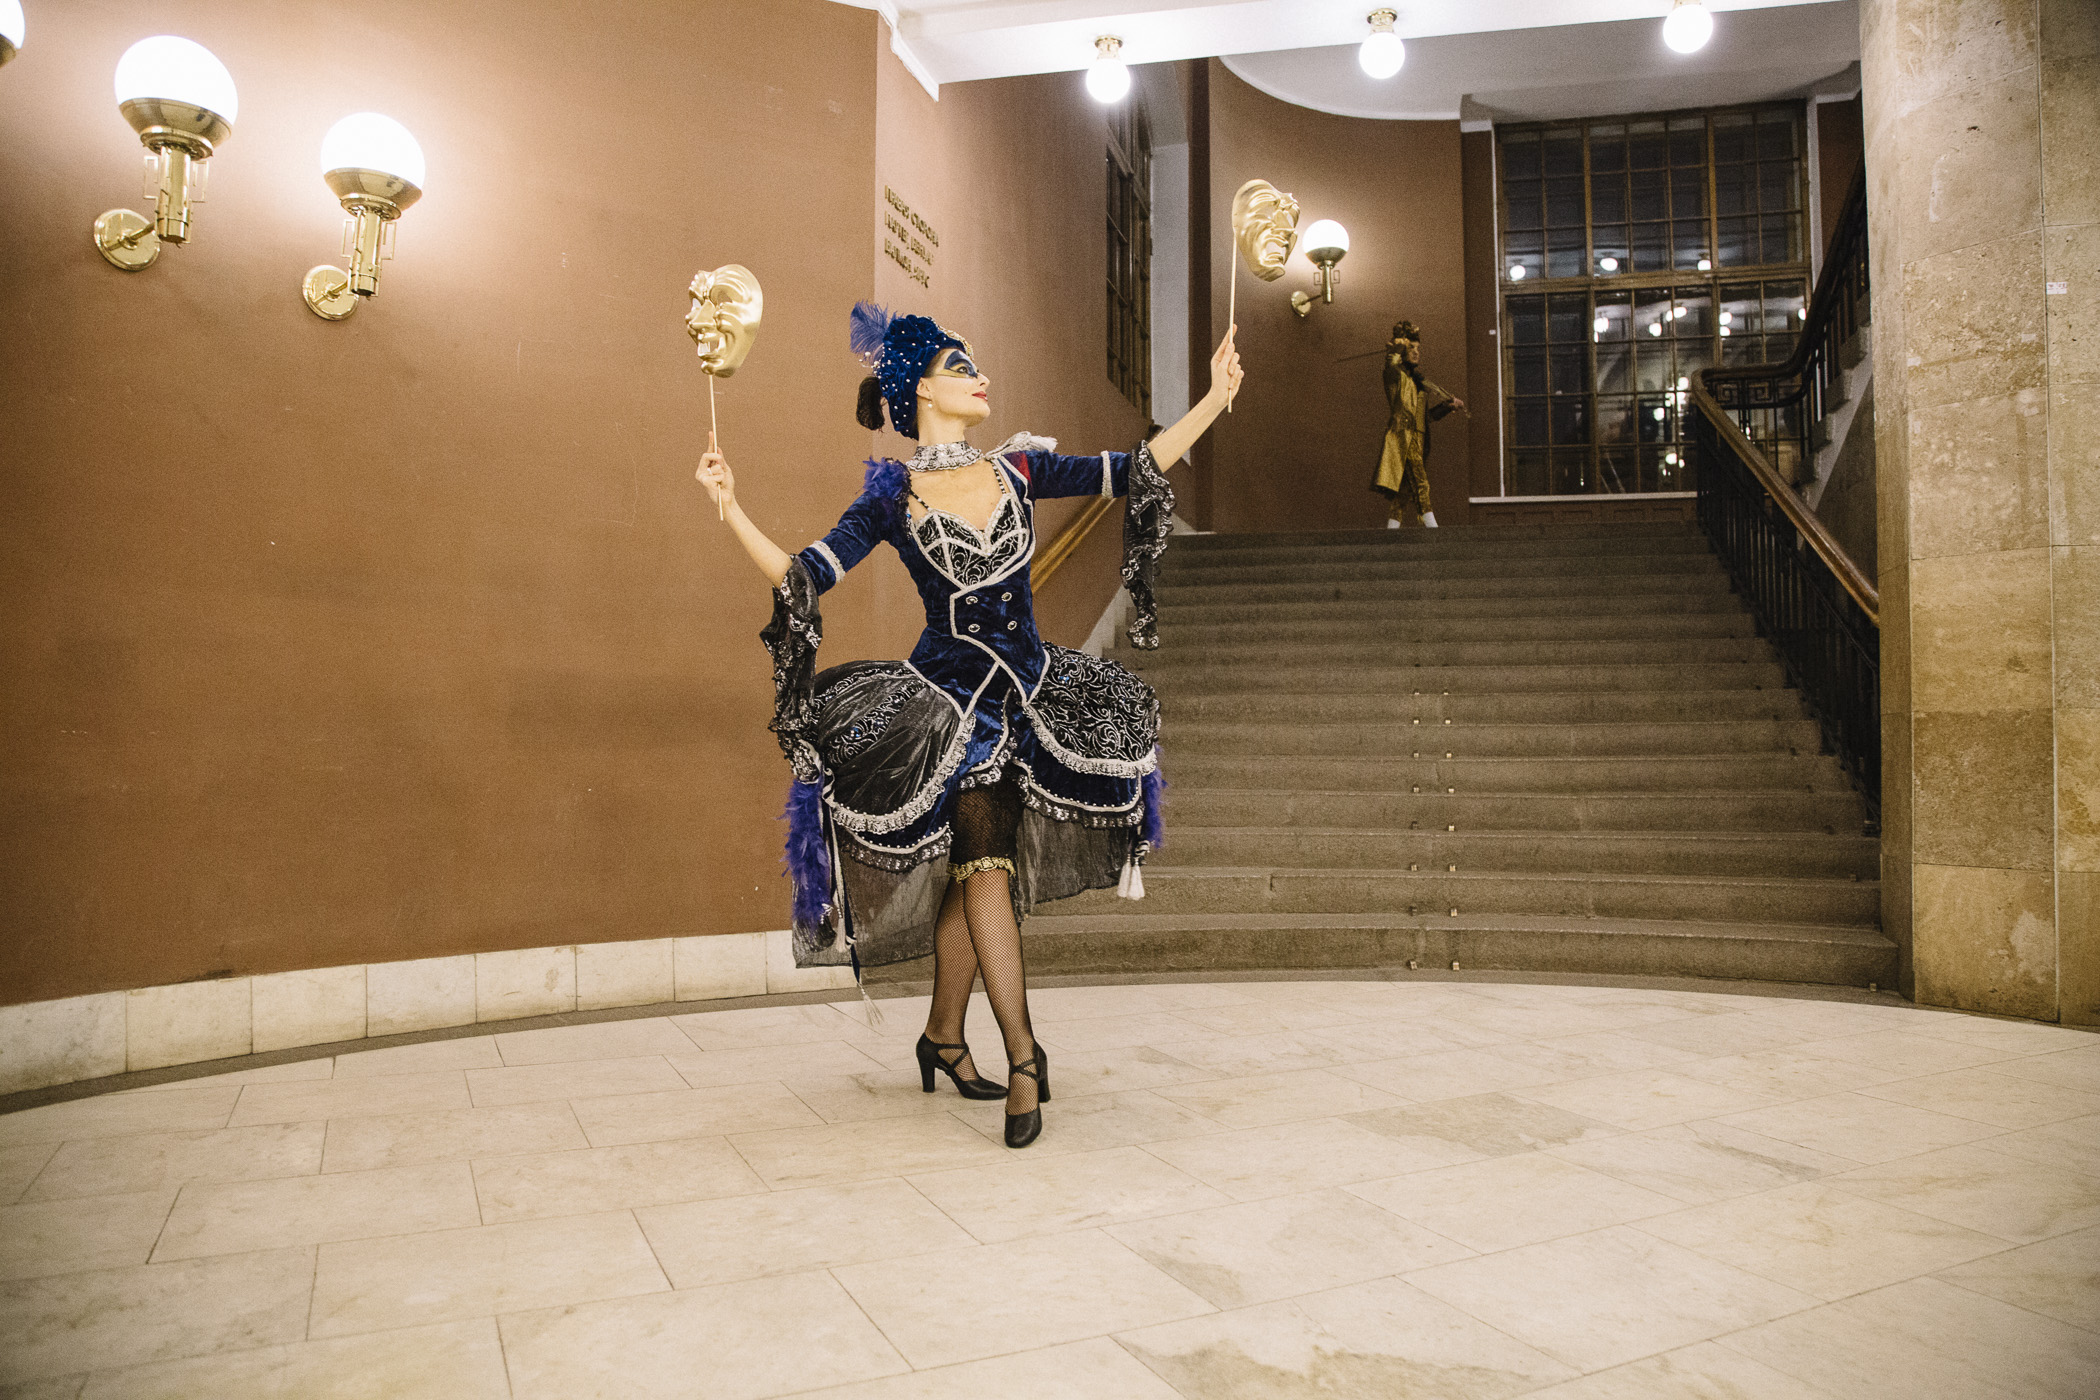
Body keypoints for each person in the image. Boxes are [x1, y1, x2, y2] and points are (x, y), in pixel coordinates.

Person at [697, 303, 1243, 1148]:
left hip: (1032, 697)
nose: (980, 375)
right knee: (986, 860)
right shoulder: (891, 497)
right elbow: (803, 576)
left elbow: (1134, 468)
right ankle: (1025, 1056)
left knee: (971, 873)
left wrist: (1213, 398)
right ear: (921, 388)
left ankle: (942, 1036)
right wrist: (730, 507)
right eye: (961, 366)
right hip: (947, 713)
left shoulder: (1019, 468)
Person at [1372, 319, 1464, 529]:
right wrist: (1398, 344)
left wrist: (1447, 407)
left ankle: (1391, 531)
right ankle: (1433, 528)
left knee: (1404, 490)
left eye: (1417, 348)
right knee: (1421, 482)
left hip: (1419, 438)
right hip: (1404, 436)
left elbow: (1425, 417)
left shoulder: (1417, 383)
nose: (1416, 352)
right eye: (1411, 348)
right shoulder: (1394, 376)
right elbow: (1391, 363)